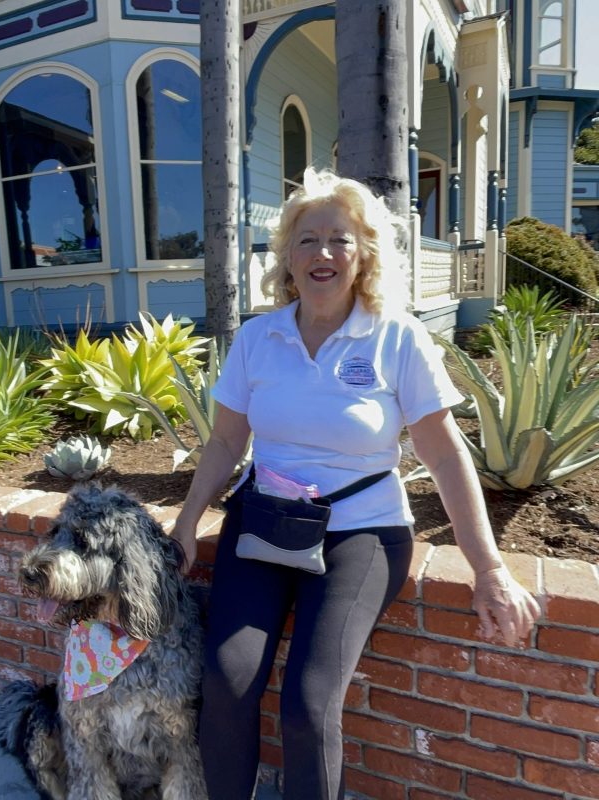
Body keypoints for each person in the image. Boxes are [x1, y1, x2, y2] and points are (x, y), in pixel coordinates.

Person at [171, 167, 541, 800]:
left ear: (363, 254)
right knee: (226, 682)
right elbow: (227, 442)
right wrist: (185, 525)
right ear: (288, 258)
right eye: (307, 240)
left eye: (339, 239)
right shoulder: (258, 338)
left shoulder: (398, 336)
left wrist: (488, 568)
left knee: (309, 703)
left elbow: (444, 454)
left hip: (361, 533)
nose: (323, 253)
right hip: (264, 523)